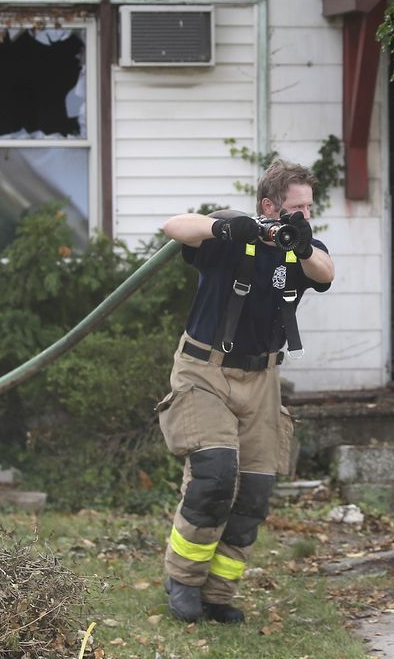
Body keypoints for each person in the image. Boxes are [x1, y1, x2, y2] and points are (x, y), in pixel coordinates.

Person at [156, 159, 334, 623]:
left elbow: (326, 272)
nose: (304, 217)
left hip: (262, 379)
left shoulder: (301, 246)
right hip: (205, 369)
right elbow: (174, 225)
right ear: (269, 205)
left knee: (254, 490)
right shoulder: (233, 238)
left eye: (309, 209)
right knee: (215, 476)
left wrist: (298, 240)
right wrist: (231, 228)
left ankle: (218, 593)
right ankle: (183, 580)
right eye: (295, 209)